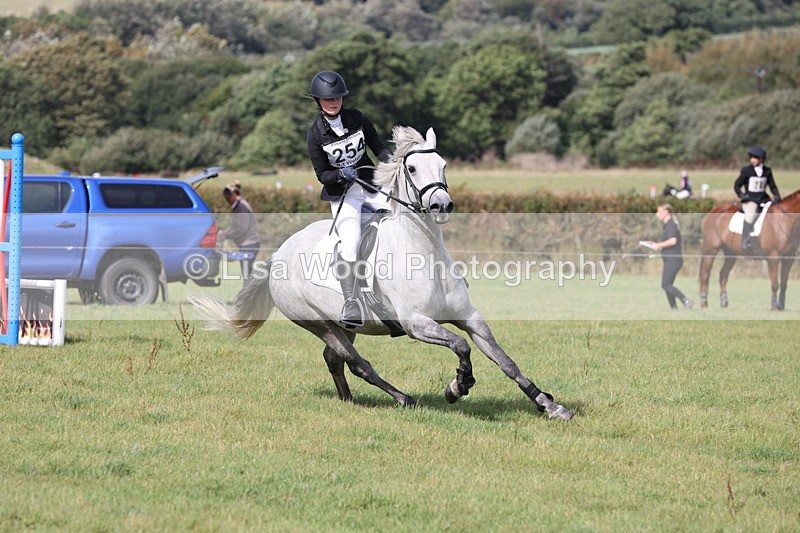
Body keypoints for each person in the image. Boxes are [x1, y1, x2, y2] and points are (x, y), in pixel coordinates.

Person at [306, 70, 391, 327]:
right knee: (351, 242)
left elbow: (379, 148)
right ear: (318, 101)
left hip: (371, 184)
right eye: (328, 99)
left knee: (407, 216)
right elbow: (322, 175)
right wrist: (341, 174)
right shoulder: (315, 134)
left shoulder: (358, 119)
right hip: (344, 194)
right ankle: (351, 302)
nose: (334, 102)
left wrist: (392, 163)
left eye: (337, 97)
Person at [643, 204, 694, 309]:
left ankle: (686, 300)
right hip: (670, 259)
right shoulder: (667, 225)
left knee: (665, 285)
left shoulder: (671, 224)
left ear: (666, 212)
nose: (657, 214)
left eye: (659, 211)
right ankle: (673, 308)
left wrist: (658, 245)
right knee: (668, 285)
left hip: (673, 260)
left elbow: (673, 240)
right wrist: (655, 245)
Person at [734, 145, 781, 250]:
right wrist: (741, 195)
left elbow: (772, 186)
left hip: (764, 199)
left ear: (762, 159)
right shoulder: (746, 170)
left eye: (755, 158)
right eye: (751, 157)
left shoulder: (767, 171)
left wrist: (777, 195)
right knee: (750, 216)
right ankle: (745, 240)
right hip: (750, 200)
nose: (752, 160)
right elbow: (737, 185)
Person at [218, 181, 260, 280]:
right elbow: (236, 227)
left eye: (228, 198)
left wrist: (227, 235)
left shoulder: (241, 207)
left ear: (233, 195)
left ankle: (254, 290)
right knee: (247, 273)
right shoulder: (239, 206)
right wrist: (225, 232)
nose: (227, 201)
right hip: (248, 244)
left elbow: (241, 228)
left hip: (249, 244)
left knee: (247, 274)